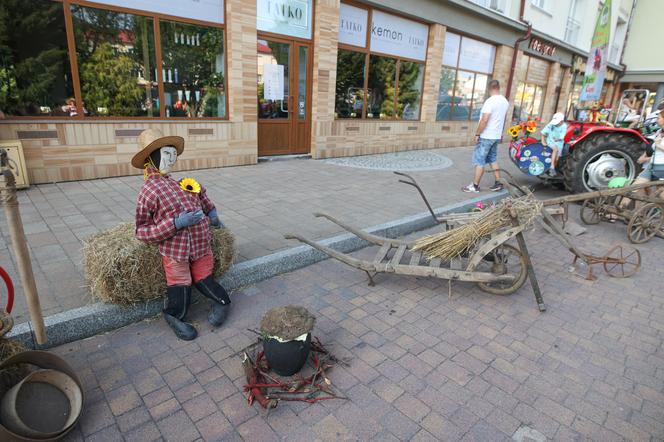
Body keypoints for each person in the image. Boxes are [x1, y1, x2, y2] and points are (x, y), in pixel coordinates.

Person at [132, 129, 231, 341]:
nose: (172, 158)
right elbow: (141, 230)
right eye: (166, 154)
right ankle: (174, 317)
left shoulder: (181, 183)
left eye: (173, 154)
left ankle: (223, 303)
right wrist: (175, 223)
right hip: (175, 251)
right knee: (180, 285)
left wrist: (212, 214)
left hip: (201, 246)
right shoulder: (149, 191)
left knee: (205, 278)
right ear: (152, 157)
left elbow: (200, 194)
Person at [462, 80, 509, 193]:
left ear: (489, 89)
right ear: (498, 87)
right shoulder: (505, 101)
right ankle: (499, 182)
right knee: (492, 159)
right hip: (496, 136)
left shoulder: (490, 101)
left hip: (486, 136)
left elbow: (484, 120)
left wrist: (477, 134)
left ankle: (475, 185)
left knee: (480, 161)